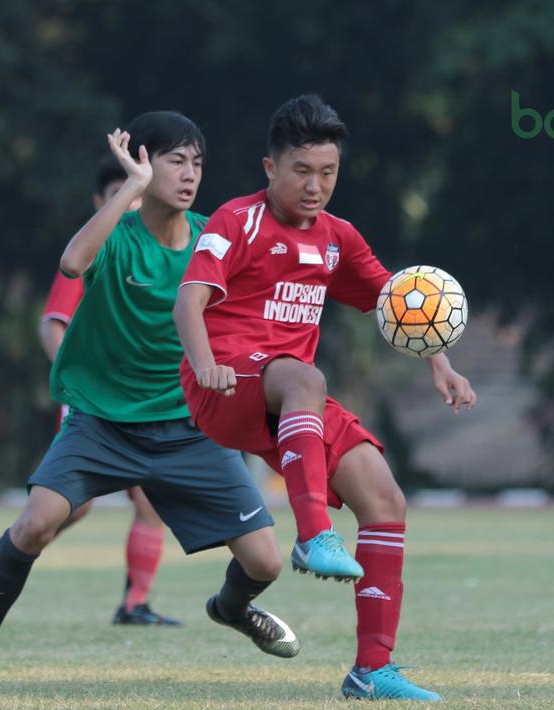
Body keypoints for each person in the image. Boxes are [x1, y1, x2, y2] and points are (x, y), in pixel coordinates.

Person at [0, 111, 298, 689]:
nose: (190, 174)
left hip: (189, 427)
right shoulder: (116, 236)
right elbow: (72, 262)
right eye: (176, 161)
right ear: (145, 164)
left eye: (197, 163)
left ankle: (230, 609)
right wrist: (131, 187)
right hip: (102, 424)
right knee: (33, 526)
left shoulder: (214, 238)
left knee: (265, 562)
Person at [174, 95, 477, 701]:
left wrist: (441, 363)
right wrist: (205, 366)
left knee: (385, 499)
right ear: (270, 168)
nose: (315, 186)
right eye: (302, 171)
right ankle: (314, 535)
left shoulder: (339, 238)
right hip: (225, 384)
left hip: (291, 402)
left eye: (328, 172)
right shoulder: (237, 220)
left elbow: (399, 304)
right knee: (307, 378)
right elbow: (189, 302)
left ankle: (371, 671)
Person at [38, 156, 179, 627]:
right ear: (100, 201)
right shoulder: (92, 249)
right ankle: (17, 549)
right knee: (73, 506)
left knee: (151, 498)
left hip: (142, 401)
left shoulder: (158, 251)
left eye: (138, 192)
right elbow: (52, 324)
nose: (131, 202)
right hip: (93, 403)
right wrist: (78, 382)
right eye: (120, 193)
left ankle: (135, 603)